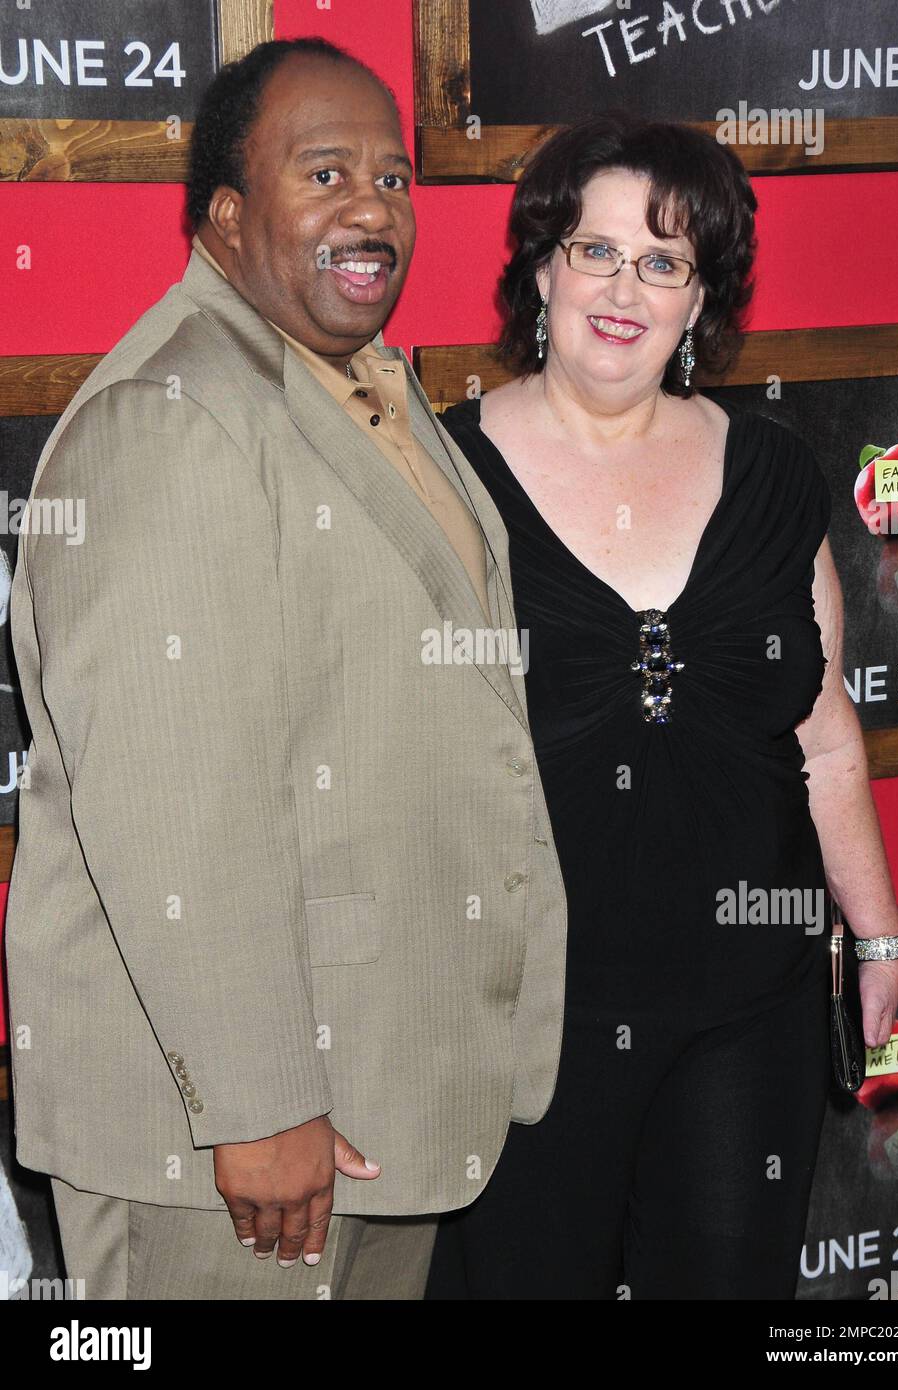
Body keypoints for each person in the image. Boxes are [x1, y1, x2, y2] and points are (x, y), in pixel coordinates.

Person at [4, 38, 568, 1300]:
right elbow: (170, 800)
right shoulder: (172, 416)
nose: (373, 205)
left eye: (395, 176)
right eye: (325, 172)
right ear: (225, 217)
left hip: (374, 1084)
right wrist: (257, 1106)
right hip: (224, 1143)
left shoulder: (359, 378)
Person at [425, 114, 898, 1300]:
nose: (624, 287)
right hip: (528, 1019)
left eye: (665, 260)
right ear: (542, 268)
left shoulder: (777, 472)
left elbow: (824, 722)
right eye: (595, 251)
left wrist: (881, 932)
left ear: (702, 300)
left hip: (749, 1010)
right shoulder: (442, 480)